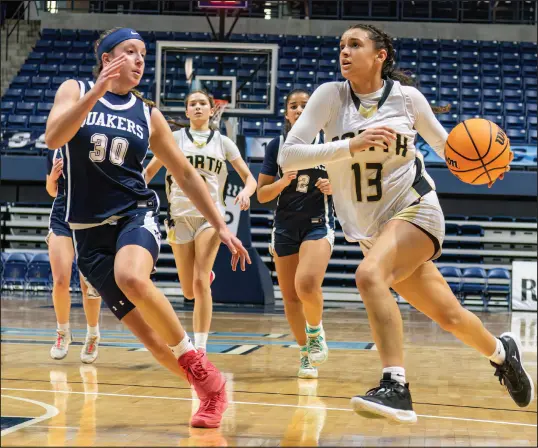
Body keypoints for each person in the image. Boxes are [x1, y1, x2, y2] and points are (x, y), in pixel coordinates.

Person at [278, 23, 533, 423]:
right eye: (341, 45)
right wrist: (350, 145)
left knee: (368, 277)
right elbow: (288, 157)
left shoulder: (407, 99)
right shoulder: (329, 97)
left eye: (355, 45)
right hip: (373, 232)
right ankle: (503, 355)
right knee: (449, 316)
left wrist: (488, 168)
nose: (345, 51)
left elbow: (451, 151)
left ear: (380, 55)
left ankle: (396, 386)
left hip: (415, 208)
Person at [45, 27, 251, 429]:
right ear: (107, 58)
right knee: (154, 343)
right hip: (87, 232)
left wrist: (221, 225)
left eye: (143, 53)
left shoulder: (147, 112)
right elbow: (54, 135)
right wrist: (95, 92)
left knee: (131, 277)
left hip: (133, 213)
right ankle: (211, 390)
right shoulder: (75, 88)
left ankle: (197, 363)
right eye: (130, 52)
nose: (140, 60)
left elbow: (187, 175)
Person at [144, 90, 257, 352]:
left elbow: (249, 177)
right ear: (186, 112)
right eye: (192, 103)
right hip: (179, 217)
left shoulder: (223, 142)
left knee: (200, 281)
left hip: (211, 217)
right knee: (188, 291)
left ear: (211, 110)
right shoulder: (173, 139)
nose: (197, 107)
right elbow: (149, 172)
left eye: (202, 103)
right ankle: (203, 279)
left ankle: (202, 346)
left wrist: (246, 191)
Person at [257, 89, 334, 379]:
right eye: (293, 106)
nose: (300, 110)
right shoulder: (276, 146)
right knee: (290, 297)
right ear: (287, 113)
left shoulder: (329, 143)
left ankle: (315, 331)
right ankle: (305, 353)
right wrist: (282, 182)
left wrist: (334, 188)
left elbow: (348, 187)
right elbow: (262, 194)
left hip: (318, 222)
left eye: (305, 105)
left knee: (308, 283)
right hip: (285, 227)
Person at [46, 147, 102, 364]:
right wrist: (52, 178)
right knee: (60, 280)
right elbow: (51, 190)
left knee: (88, 283)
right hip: (62, 215)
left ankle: (93, 334)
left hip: (91, 216)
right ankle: (62, 333)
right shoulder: (55, 147)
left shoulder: (96, 139)